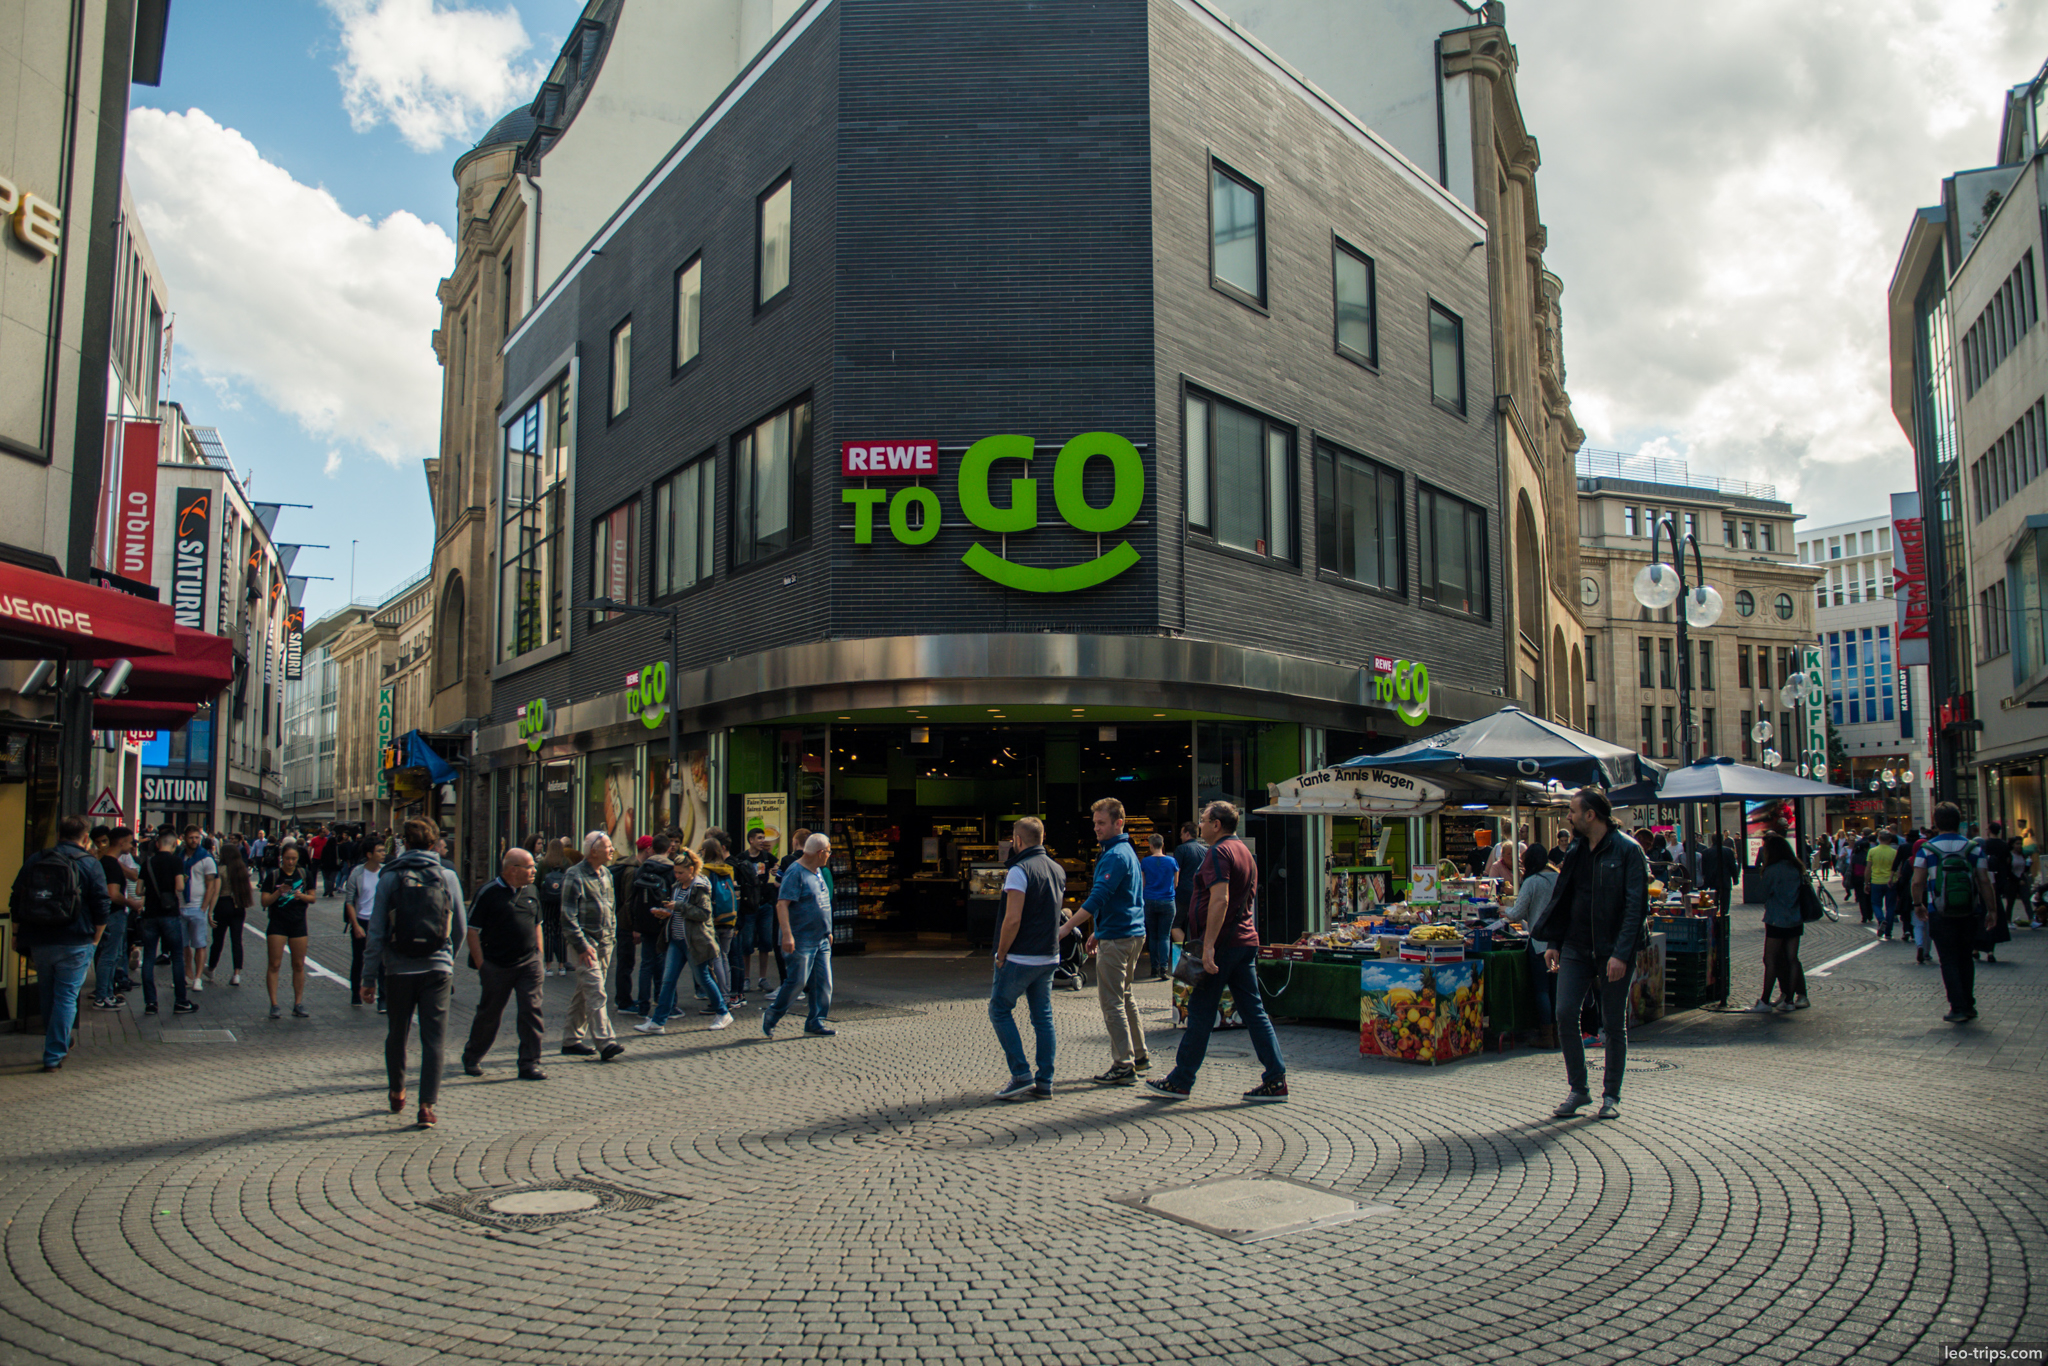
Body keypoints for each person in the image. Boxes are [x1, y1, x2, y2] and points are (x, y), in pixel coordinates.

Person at [1143, 801, 1288, 1103]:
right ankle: (1276, 1079)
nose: (1200, 825)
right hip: (1243, 942)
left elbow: (1220, 899)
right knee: (1254, 1012)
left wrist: (1208, 946)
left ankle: (1181, 1080)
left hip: (1222, 946)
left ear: (1217, 825)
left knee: (1200, 1011)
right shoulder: (1243, 852)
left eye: (1204, 819)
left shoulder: (1219, 853)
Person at [1538, 787, 1649, 1121]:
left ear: (1590, 815)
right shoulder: (1575, 849)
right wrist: (1554, 941)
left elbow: (1636, 907)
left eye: (1572, 811)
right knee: (1565, 1013)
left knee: (1612, 1023)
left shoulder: (1628, 850)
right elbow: (1563, 897)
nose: (1568, 817)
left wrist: (1621, 954)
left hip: (1612, 948)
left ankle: (1611, 1095)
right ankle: (1579, 1089)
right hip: (1575, 944)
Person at [364, 818, 468, 1128]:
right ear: (434, 844)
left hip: (398, 968)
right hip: (437, 967)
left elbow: (376, 932)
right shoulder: (447, 876)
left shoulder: (389, 877)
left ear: (405, 844)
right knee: (434, 1039)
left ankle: (397, 1091)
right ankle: (427, 1106)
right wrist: (447, 959)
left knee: (397, 1033)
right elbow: (460, 927)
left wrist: (368, 977)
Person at [11, 815, 112, 1069]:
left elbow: (17, 897)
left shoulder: (37, 859)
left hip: (40, 937)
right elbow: (102, 903)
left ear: (59, 835)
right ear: (86, 838)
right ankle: (54, 1053)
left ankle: (60, 1041)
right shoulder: (89, 863)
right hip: (76, 940)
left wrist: (16, 933)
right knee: (66, 996)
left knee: (47, 993)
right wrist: (95, 938)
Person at [1076, 798, 1148, 1087]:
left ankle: (1123, 1064)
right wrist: (1099, 930)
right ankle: (1139, 1055)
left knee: (1112, 1002)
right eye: (1095, 823)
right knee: (1125, 995)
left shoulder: (1115, 855)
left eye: (1101, 823)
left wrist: (1067, 927)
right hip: (1130, 933)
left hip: (1118, 938)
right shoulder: (1125, 851)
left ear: (1119, 823)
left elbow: (1099, 896)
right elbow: (1125, 898)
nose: (1096, 828)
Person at [989, 817, 1061, 1100]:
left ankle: (1021, 1074)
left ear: (1018, 840)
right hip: (1048, 955)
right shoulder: (1056, 869)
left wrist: (1001, 953)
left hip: (1021, 956)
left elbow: (1012, 919)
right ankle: (1045, 1080)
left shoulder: (1019, 871)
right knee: (1043, 1018)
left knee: (999, 1010)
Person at [461, 846, 547, 1081]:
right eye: (529, 867)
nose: (534, 870)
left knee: (531, 1011)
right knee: (490, 1014)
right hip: (497, 965)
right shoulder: (488, 892)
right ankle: (473, 1056)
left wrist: (539, 955)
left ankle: (529, 1063)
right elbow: (472, 931)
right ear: (513, 869)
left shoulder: (532, 890)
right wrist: (482, 965)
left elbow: (537, 924)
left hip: (529, 963)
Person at [1911, 802, 1998, 1024]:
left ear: (1936, 822)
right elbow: (1984, 881)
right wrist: (1992, 909)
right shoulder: (1973, 848)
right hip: (1969, 911)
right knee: (1965, 957)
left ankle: (1957, 1007)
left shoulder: (1927, 849)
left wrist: (1918, 904)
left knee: (1948, 959)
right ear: (1959, 822)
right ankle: (1969, 1004)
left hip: (1939, 911)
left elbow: (1917, 881)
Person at [641, 844, 732, 1033]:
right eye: (675, 872)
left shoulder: (699, 888)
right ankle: (658, 1022)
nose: (677, 876)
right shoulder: (676, 887)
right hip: (677, 940)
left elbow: (704, 913)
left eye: (680, 872)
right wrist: (666, 913)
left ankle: (723, 1012)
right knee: (668, 980)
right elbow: (679, 913)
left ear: (691, 870)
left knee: (703, 978)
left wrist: (679, 907)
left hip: (694, 941)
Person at [559, 831, 626, 1061]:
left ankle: (571, 1040)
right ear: (594, 851)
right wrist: (581, 945)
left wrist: (612, 936)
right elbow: (567, 916)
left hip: (605, 943)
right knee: (596, 991)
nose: (612, 849)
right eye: (608, 846)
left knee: (585, 992)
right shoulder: (574, 875)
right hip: (585, 945)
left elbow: (611, 907)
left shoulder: (606, 873)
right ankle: (605, 1042)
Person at [762, 833, 836, 1038]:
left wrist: (828, 930)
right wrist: (787, 935)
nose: (829, 855)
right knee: (797, 982)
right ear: (820, 852)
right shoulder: (796, 872)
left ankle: (815, 1021)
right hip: (801, 938)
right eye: (828, 852)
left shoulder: (818, 871)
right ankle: (772, 1015)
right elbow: (782, 904)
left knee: (823, 983)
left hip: (820, 937)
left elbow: (823, 902)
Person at [133, 830, 195, 1017]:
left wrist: (152, 891)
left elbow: (138, 890)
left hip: (150, 914)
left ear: (158, 844)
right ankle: (180, 1001)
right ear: (174, 845)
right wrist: (181, 880)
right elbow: (179, 887)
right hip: (169, 914)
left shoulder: (148, 862)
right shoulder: (176, 861)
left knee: (149, 958)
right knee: (177, 957)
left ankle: (151, 1003)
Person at [1745, 835, 1809, 1014]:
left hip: (1776, 918)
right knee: (1792, 958)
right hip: (1795, 917)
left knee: (1770, 958)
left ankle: (1765, 1000)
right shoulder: (1796, 867)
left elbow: (1762, 893)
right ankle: (1789, 999)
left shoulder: (1772, 870)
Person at [260, 843, 318, 1020]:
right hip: (278, 923)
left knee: (299, 964)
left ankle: (298, 1003)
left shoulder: (304, 874)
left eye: (293, 859)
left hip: (298, 922)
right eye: (287, 858)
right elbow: (264, 901)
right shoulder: (274, 875)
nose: (290, 862)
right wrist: (279, 892)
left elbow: (313, 897)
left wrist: (301, 896)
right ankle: (274, 1004)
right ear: (281, 858)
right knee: (274, 964)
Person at [625, 834, 679, 1022]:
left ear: (652, 849)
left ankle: (643, 1006)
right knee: (665, 963)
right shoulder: (671, 869)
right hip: (665, 921)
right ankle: (666, 1004)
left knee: (646, 964)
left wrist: (635, 925)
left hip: (645, 920)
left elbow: (633, 898)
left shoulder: (642, 869)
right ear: (668, 849)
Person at [1516, 842, 1561, 1047]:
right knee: (1556, 990)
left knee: (1542, 990)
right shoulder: (1558, 877)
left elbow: (1517, 912)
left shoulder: (1532, 881)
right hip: (1559, 942)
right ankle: (1558, 1034)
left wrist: (1504, 911)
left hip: (1539, 943)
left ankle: (1546, 1035)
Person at [91, 827, 138, 1011]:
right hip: (114, 914)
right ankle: (102, 996)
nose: (132, 846)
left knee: (112, 955)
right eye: (129, 842)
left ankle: (108, 993)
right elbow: (113, 894)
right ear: (121, 842)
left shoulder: (106, 862)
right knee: (109, 956)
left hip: (108, 914)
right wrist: (130, 903)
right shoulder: (111, 864)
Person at [736, 828, 783, 996]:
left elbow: (777, 866)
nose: (762, 841)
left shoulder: (766, 857)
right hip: (749, 905)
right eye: (759, 838)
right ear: (751, 840)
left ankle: (762, 978)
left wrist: (775, 870)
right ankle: (746, 978)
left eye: (763, 838)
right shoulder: (742, 858)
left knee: (765, 942)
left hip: (765, 904)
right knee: (747, 943)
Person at [343, 837, 388, 1010]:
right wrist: (355, 925)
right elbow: (349, 901)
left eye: (384, 850)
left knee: (383, 961)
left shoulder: (386, 872)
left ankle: (383, 998)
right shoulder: (357, 873)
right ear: (369, 854)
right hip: (362, 920)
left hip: (380, 921)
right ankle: (355, 993)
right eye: (379, 851)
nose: (383, 854)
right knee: (359, 959)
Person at [701, 835, 741, 1008]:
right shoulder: (728, 869)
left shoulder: (705, 871)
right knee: (724, 957)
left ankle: (721, 997)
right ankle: (728, 994)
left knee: (715, 958)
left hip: (714, 920)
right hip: (729, 919)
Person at [612, 834, 651, 1013]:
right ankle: (623, 1001)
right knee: (625, 963)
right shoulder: (632, 870)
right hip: (625, 923)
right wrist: (634, 927)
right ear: (648, 849)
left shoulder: (630, 866)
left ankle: (623, 998)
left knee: (626, 962)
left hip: (624, 921)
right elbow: (629, 901)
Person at [208, 837, 254, 985]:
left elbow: (216, 892)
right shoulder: (242, 870)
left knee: (218, 940)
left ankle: (212, 967)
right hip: (239, 906)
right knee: (237, 941)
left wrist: (209, 911)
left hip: (223, 904)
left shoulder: (220, 869)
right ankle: (236, 973)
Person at [177, 827, 218, 994]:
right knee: (183, 945)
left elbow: (211, 885)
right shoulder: (179, 858)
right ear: (184, 838)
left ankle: (198, 977)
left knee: (200, 944)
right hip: (181, 906)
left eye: (197, 837)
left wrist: (204, 908)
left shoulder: (206, 859)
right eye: (191, 838)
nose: (194, 840)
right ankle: (188, 974)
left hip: (197, 906)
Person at [1139, 832, 1177, 982]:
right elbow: (1176, 883)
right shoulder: (1172, 861)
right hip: (1167, 900)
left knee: (1153, 935)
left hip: (1149, 899)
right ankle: (1164, 968)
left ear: (1150, 846)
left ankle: (1154, 967)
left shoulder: (1145, 862)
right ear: (1162, 845)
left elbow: (1142, 883)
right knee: (1165, 936)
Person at [537, 838, 574, 976]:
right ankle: (561, 966)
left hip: (547, 902)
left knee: (548, 931)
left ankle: (548, 966)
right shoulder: (567, 863)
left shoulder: (543, 863)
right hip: (561, 901)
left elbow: (536, 882)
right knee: (561, 932)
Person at [1171, 821, 1209, 946]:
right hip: (1200, 893)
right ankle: (1196, 948)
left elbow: (1176, 872)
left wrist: (1172, 889)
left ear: (1187, 834)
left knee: (1174, 925)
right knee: (1197, 926)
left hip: (1182, 893)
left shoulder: (1181, 849)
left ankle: (1187, 949)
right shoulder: (1205, 851)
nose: (1180, 837)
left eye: (1181, 834)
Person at [1868, 830, 1901, 940]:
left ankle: (1881, 919)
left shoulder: (1872, 851)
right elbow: (1898, 868)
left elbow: (1868, 868)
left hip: (1876, 881)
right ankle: (1888, 931)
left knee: (1875, 903)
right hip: (1890, 881)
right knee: (1890, 906)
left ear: (1878, 838)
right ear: (1890, 839)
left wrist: (1866, 882)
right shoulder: (1894, 852)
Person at [318, 825, 343, 898]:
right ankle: (331, 891)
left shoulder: (325, 848)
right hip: (334, 866)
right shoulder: (336, 848)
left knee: (326, 879)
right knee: (332, 879)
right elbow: (339, 856)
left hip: (325, 866)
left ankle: (326, 890)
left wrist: (321, 863)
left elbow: (322, 857)